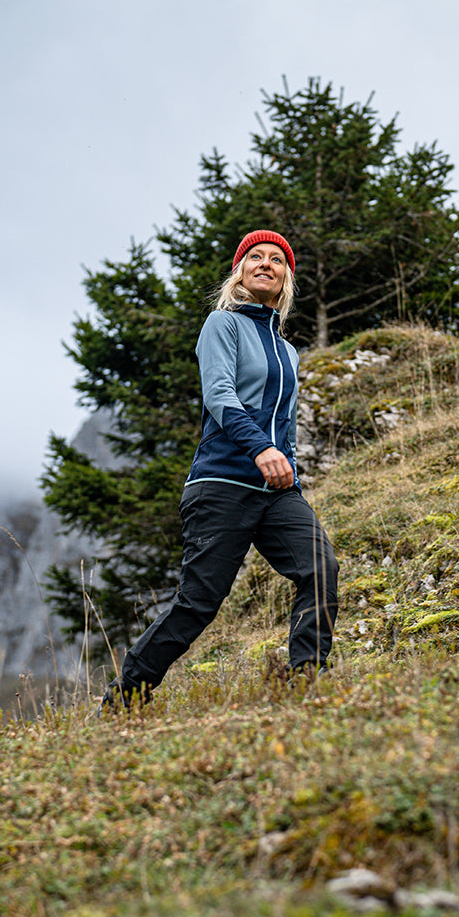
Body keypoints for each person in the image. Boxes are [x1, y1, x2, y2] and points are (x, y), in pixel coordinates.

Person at [102, 229, 339, 710]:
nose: (266, 263)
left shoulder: (288, 352)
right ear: (240, 272)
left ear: (286, 278)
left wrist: (286, 465)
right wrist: (259, 450)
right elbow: (221, 397)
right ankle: (123, 699)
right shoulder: (222, 325)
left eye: (277, 259)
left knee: (321, 567)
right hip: (221, 485)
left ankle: (303, 685)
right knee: (198, 605)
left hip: (276, 490)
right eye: (256, 257)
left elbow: (286, 423)